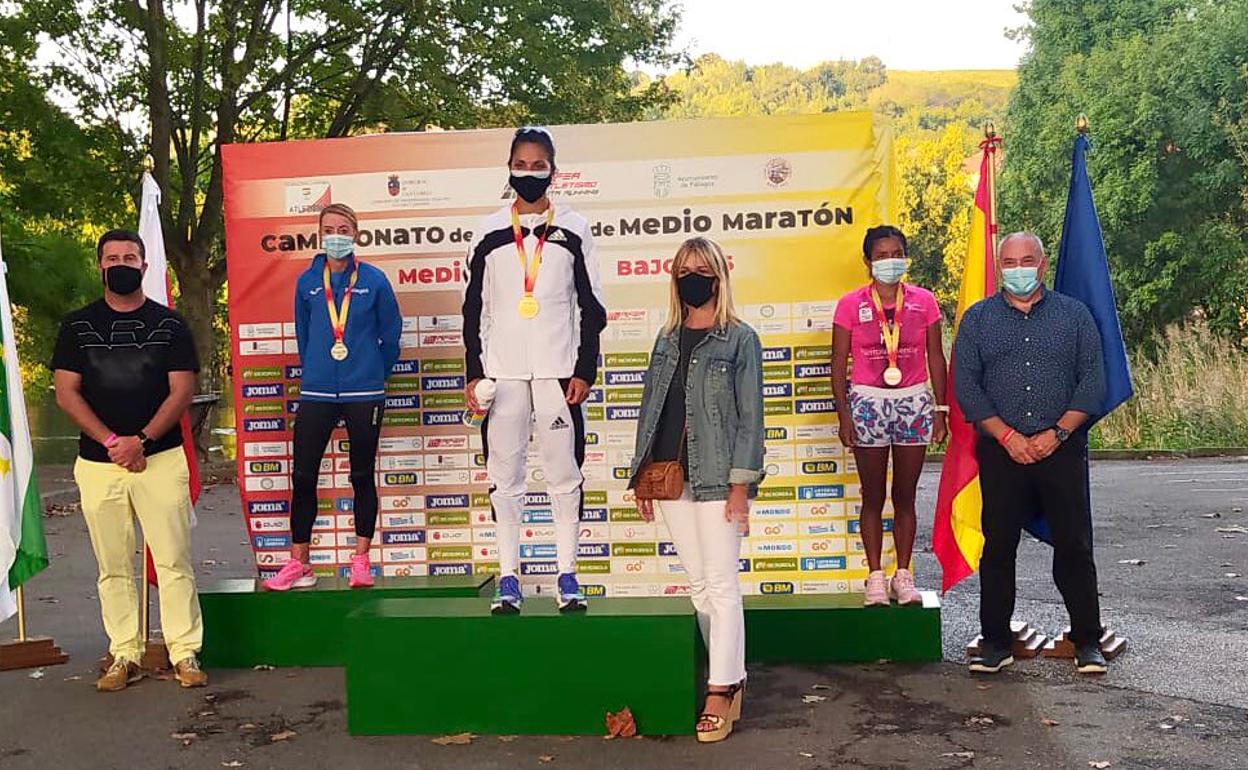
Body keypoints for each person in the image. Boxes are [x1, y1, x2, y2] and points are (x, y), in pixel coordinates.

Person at [52, 229, 206, 691]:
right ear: (100, 266)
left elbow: (183, 390)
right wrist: (113, 441)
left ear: (143, 266)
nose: (121, 263)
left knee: (174, 560)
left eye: (130, 257)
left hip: (160, 459)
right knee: (113, 564)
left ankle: (185, 652)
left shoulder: (171, 325)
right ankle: (124, 653)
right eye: (112, 257)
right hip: (99, 465)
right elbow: (65, 392)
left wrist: (141, 439)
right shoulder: (76, 326)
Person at [462, 126, 607, 614]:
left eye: (537, 164)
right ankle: (508, 576)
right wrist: (473, 373)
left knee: (564, 474)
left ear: (553, 170)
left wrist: (583, 369)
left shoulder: (575, 229)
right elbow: (471, 310)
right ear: (508, 169)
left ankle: (568, 574)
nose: (528, 173)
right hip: (503, 377)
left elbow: (593, 307)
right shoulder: (486, 231)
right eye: (520, 165)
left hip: (557, 372)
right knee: (505, 477)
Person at [952, 232, 1108, 675]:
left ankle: (1087, 641)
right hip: (1002, 450)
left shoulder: (1074, 316)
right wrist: (1008, 437)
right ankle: (996, 641)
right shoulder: (978, 320)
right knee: (998, 545)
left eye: (1027, 261)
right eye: (1009, 261)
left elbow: (1093, 382)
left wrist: (1057, 433)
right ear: (999, 266)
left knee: (1074, 545)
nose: (1017, 269)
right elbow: (967, 385)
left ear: (1042, 265)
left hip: (1060, 447)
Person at [629, 236, 764, 743]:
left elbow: (751, 418)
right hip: (671, 477)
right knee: (700, 587)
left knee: (723, 584)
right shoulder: (666, 338)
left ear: (717, 276)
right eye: (683, 269)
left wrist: (739, 486)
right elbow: (651, 413)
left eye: (700, 268)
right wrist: (640, 476)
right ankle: (732, 672)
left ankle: (721, 688)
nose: (692, 276)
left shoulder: (739, 339)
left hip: (718, 476)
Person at [263, 203, 402, 591]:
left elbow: (392, 334)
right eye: (329, 229)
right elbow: (304, 335)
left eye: (343, 228)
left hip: (365, 391)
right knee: (303, 475)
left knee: (361, 474)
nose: (336, 235)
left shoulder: (373, 280)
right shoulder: (307, 282)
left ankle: (360, 560)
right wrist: (316, 372)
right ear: (320, 234)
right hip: (317, 390)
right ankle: (299, 563)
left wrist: (375, 370)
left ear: (355, 233)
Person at [831, 225, 948, 606]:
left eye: (896, 253)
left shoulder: (925, 301)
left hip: (914, 401)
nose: (889, 261)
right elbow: (838, 363)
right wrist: (844, 414)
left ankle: (903, 574)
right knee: (872, 495)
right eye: (881, 255)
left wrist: (941, 410)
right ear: (867, 261)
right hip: (868, 402)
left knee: (906, 495)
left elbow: (935, 356)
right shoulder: (850, 304)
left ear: (906, 256)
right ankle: (875, 577)